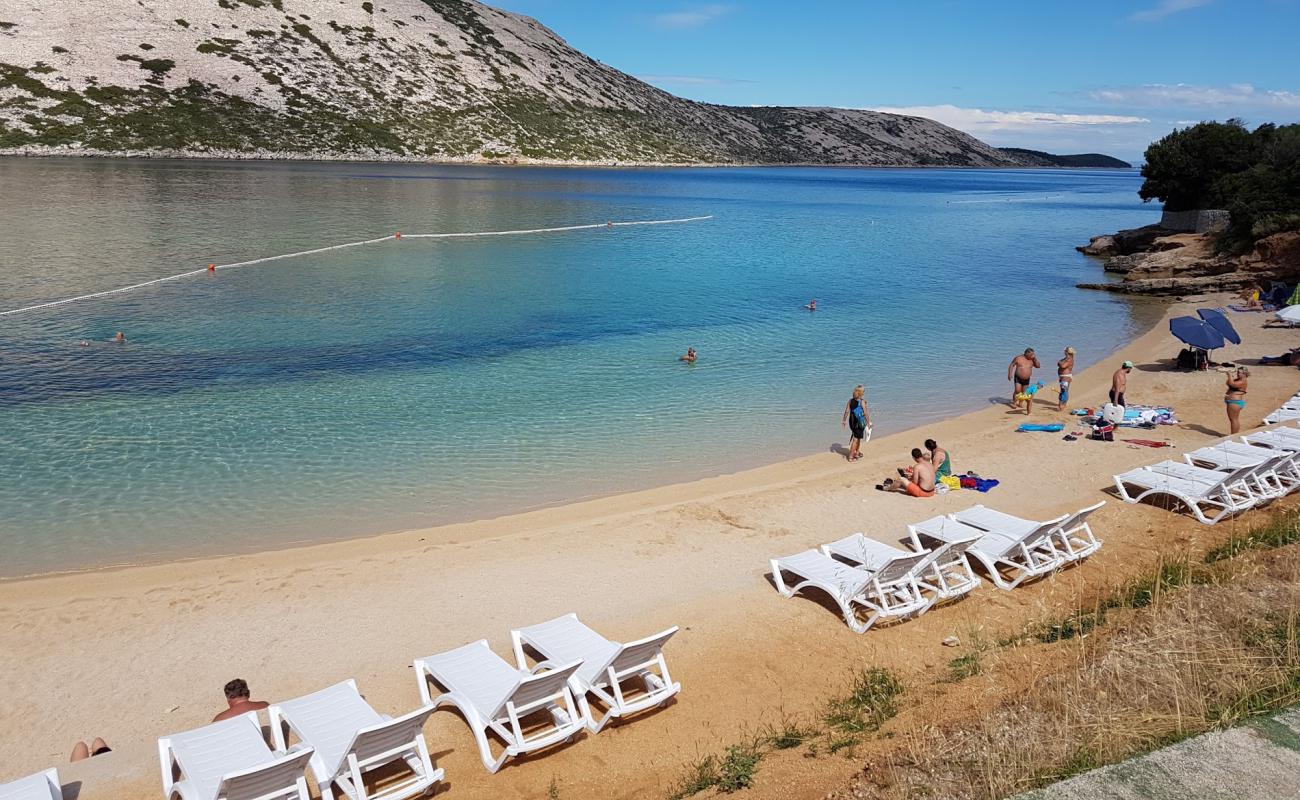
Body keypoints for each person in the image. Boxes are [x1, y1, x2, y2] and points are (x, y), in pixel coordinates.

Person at [841, 385, 870, 461]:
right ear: (861, 393)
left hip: (852, 421)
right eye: (863, 392)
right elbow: (866, 413)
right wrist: (868, 422)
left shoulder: (850, 401)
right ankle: (851, 456)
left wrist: (844, 420)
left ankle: (857, 452)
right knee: (856, 439)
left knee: (858, 437)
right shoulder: (862, 402)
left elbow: (847, 411)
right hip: (859, 422)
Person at [1007, 348, 1040, 414]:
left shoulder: (1032, 360)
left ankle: (1020, 403)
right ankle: (1014, 402)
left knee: (1024, 392)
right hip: (1018, 377)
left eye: (1033, 354)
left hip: (1027, 379)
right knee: (1017, 390)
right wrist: (1009, 374)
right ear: (1026, 354)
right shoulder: (1018, 358)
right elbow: (1012, 365)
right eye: (1031, 355)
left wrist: (1035, 358)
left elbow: (1038, 366)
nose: (1032, 356)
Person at [1224, 366, 1249, 434]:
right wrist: (1230, 377)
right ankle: (1234, 435)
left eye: (1239, 373)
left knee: (1234, 420)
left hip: (1234, 402)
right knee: (1233, 419)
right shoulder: (1238, 379)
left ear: (1244, 374)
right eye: (1237, 372)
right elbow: (1228, 383)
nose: (1238, 374)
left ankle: (1233, 436)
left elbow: (1232, 384)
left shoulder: (1242, 381)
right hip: (1234, 402)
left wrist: (1229, 376)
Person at [1057, 347, 1075, 411]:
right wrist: (1060, 363)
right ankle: (1063, 404)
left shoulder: (1069, 359)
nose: (1064, 352)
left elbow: (1062, 366)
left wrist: (1060, 363)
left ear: (1067, 352)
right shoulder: (1066, 358)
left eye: (1065, 351)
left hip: (1065, 377)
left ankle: (1061, 405)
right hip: (1064, 376)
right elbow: (1059, 363)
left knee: (1063, 391)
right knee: (1064, 390)